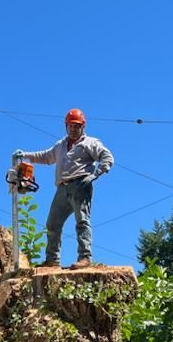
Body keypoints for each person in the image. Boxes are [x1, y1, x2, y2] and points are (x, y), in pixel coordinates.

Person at [15, 108, 114, 269]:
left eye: (77, 126)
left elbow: (107, 157)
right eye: (71, 126)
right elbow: (46, 156)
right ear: (66, 126)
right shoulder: (61, 145)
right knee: (53, 223)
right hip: (62, 187)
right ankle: (52, 260)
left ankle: (85, 257)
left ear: (83, 126)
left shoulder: (90, 143)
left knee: (82, 221)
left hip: (81, 184)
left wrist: (95, 174)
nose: (73, 129)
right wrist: (25, 155)